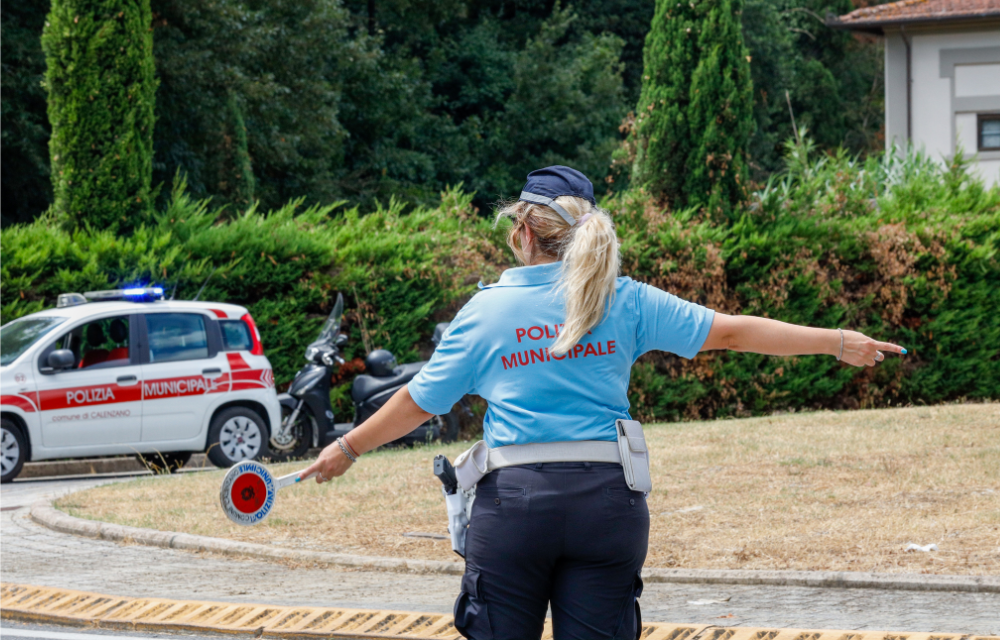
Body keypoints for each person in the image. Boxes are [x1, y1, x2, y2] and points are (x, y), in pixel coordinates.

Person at [301, 165, 905, 640]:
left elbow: (418, 402)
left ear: (525, 231)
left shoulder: (486, 312)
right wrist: (839, 342)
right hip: (608, 509)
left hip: (514, 510)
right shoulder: (628, 300)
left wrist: (345, 449)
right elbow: (733, 330)